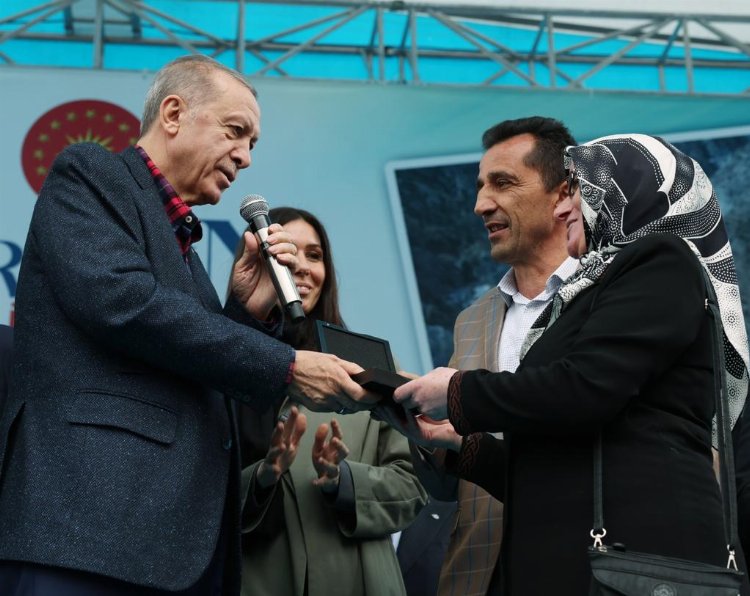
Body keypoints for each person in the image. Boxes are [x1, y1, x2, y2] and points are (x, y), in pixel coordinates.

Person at [0, 55, 375, 595]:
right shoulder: (92, 173)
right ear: (173, 113)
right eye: (236, 131)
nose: (245, 157)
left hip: (167, 550)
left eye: (253, 144)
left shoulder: (186, 251)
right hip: (88, 534)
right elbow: (121, 303)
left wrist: (244, 312)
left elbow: (185, 365)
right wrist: (288, 365)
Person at [390, 133, 750, 595]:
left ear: (630, 189)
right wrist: (458, 444)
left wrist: (457, 391)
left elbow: (584, 389)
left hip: (639, 567)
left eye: (577, 191)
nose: (563, 209)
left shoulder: (662, 260)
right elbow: (559, 460)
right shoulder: (588, 294)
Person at [404, 116, 577, 596]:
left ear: (563, 195)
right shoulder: (472, 320)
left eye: (502, 183)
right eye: (480, 186)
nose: (481, 204)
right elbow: (450, 490)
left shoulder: (614, 299)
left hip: (584, 568)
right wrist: (433, 443)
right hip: (480, 574)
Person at [234, 206, 427, 596]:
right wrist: (262, 478)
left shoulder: (370, 365)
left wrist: (343, 481)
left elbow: (414, 487)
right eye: (287, 251)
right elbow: (192, 496)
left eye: (315, 255)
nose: (303, 267)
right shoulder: (222, 366)